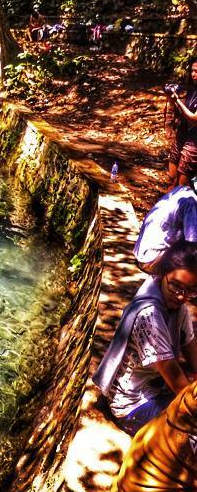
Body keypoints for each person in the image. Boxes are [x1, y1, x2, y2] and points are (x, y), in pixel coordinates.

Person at [94, 241, 197, 435]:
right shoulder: (149, 315)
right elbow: (172, 373)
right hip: (132, 404)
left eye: (191, 290)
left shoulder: (176, 302)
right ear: (163, 274)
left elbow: (190, 344)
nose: (182, 297)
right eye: (176, 286)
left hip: (157, 389)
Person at [133, 185, 197, 273]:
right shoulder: (191, 202)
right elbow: (192, 246)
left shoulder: (181, 190)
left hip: (143, 254)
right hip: (152, 260)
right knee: (191, 259)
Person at [167, 58, 197, 188]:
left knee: (181, 183)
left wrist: (178, 100)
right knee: (171, 177)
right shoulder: (192, 89)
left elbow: (194, 118)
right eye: (192, 70)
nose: (193, 74)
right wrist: (171, 99)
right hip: (183, 133)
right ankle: (165, 205)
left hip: (194, 140)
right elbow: (179, 111)